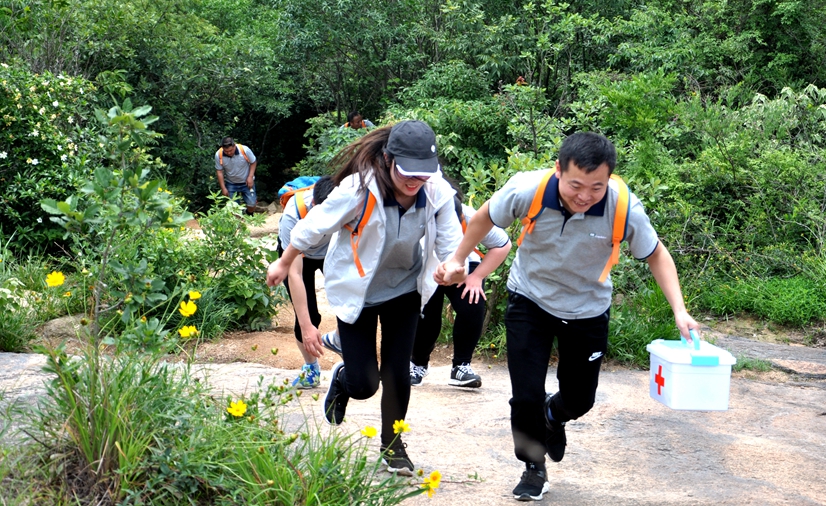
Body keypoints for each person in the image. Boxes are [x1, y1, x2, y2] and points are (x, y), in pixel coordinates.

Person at [435, 132, 700, 502]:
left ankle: (554, 414)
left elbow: (657, 255)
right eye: (576, 184)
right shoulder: (527, 189)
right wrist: (458, 259)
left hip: (587, 309)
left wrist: (679, 310)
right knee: (524, 395)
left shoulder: (624, 207)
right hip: (531, 300)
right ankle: (532, 467)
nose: (585, 195)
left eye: (597, 187)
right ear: (559, 169)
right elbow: (482, 218)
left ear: (609, 179)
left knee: (580, 399)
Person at [266, 120, 461, 476]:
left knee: (397, 373)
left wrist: (454, 269)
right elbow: (311, 227)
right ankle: (344, 380)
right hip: (358, 290)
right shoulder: (359, 190)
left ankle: (393, 444)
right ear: (388, 159)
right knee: (365, 385)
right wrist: (284, 260)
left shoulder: (437, 192)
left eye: (422, 173)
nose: (413, 181)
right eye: (406, 172)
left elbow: (452, 247)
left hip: (403, 289)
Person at [409, 186, 511, 389]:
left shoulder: (469, 215)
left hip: (463, 264)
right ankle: (418, 364)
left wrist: (477, 276)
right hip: (424, 264)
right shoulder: (414, 213)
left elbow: (502, 245)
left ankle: (461, 366)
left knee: (472, 301)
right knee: (426, 314)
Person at [273, 175, 336, 389]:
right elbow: (295, 275)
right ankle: (311, 368)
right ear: (314, 205)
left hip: (331, 251)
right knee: (309, 315)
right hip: (299, 254)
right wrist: (307, 326)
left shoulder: (349, 205)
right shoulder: (293, 215)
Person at [215, 137, 258, 214]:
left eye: (231, 150)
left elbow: (253, 162)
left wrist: (250, 177)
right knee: (233, 207)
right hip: (231, 183)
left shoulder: (245, 150)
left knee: (252, 203)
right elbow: (219, 171)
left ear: (234, 146)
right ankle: (238, 222)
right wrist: (223, 188)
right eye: (226, 151)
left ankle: (248, 213)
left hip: (246, 181)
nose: (229, 153)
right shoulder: (219, 155)